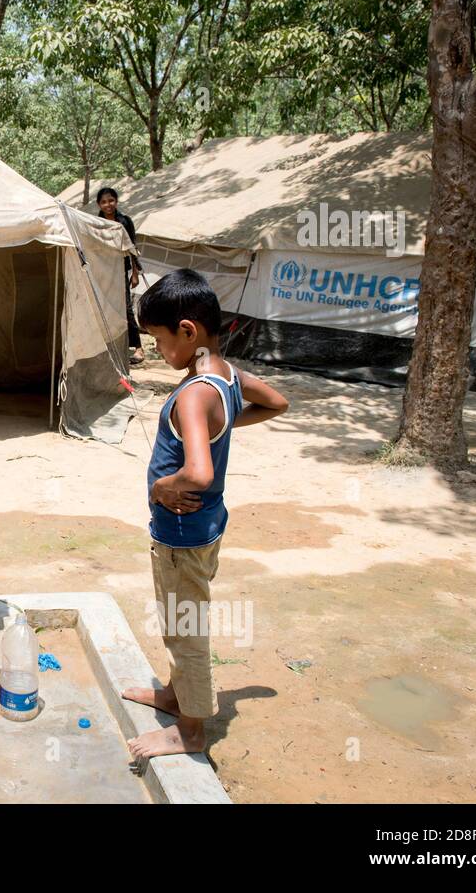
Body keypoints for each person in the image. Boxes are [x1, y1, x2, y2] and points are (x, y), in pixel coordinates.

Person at [123, 269, 288, 756]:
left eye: (158, 341)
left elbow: (198, 474)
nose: (158, 352)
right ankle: (177, 695)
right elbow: (277, 402)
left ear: (188, 331)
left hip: (181, 535)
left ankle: (190, 730)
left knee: (185, 630)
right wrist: (226, 424)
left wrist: (162, 486)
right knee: (178, 620)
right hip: (207, 529)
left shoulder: (195, 394)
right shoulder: (227, 377)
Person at [96, 186, 145, 365]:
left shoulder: (124, 221)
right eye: (103, 202)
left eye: (111, 200)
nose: (108, 204)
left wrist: (135, 273)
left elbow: (132, 247)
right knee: (106, 306)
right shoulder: (96, 222)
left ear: (116, 201)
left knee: (126, 308)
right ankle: (111, 348)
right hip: (103, 270)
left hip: (121, 270)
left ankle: (138, 348)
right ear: (98, 204)